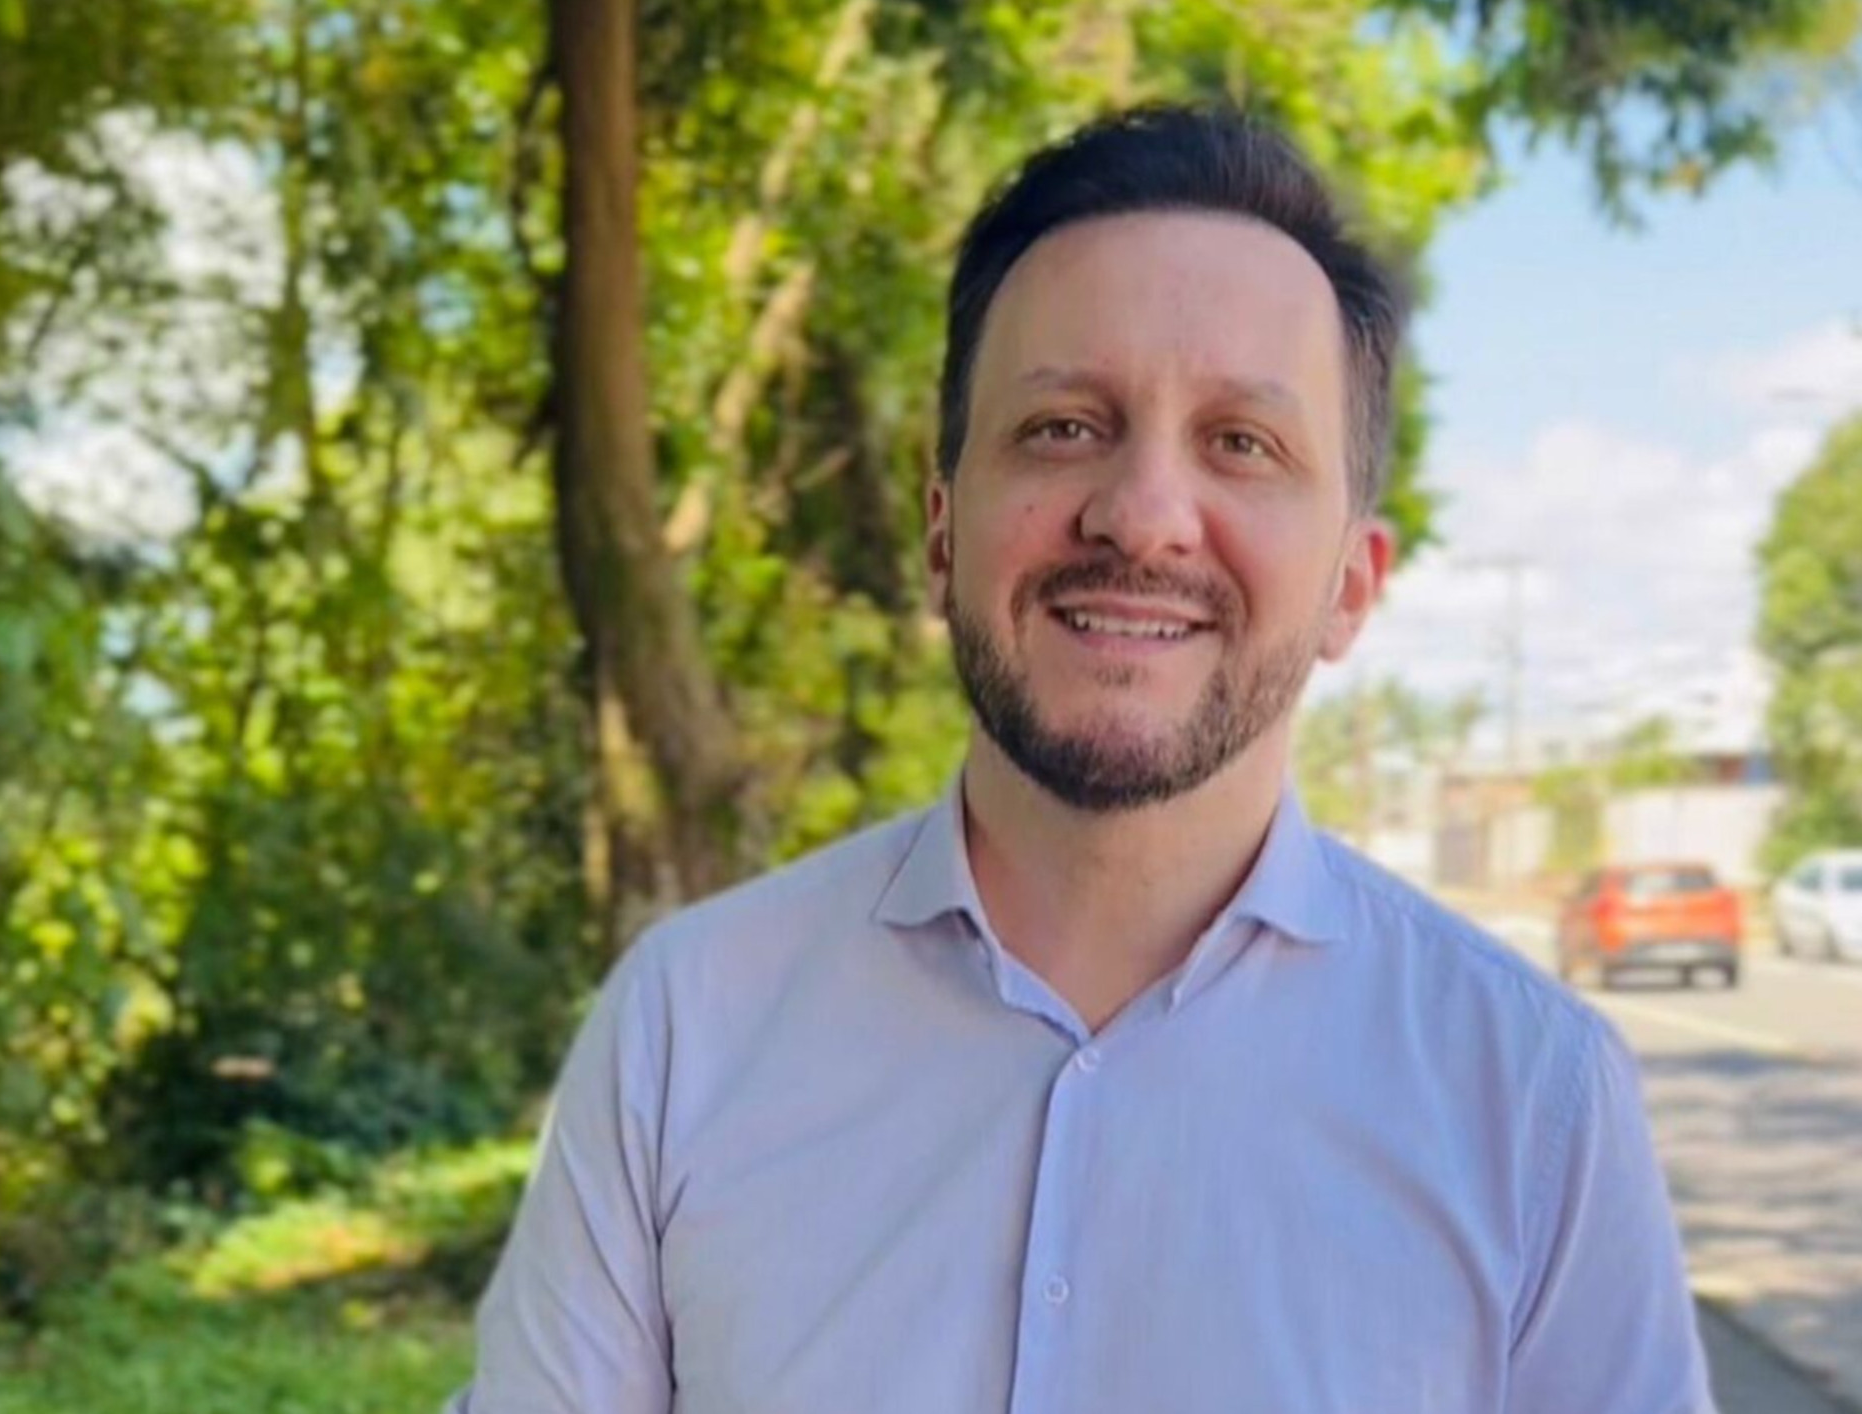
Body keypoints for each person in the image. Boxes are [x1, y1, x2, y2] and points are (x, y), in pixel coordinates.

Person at [452, 105, 1715, 1414]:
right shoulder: (683, 1029)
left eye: (1242, 443)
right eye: (1063, 427)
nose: (1143, 516)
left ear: (1353, 582)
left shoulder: (1534, 1100)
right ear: (942, 536)